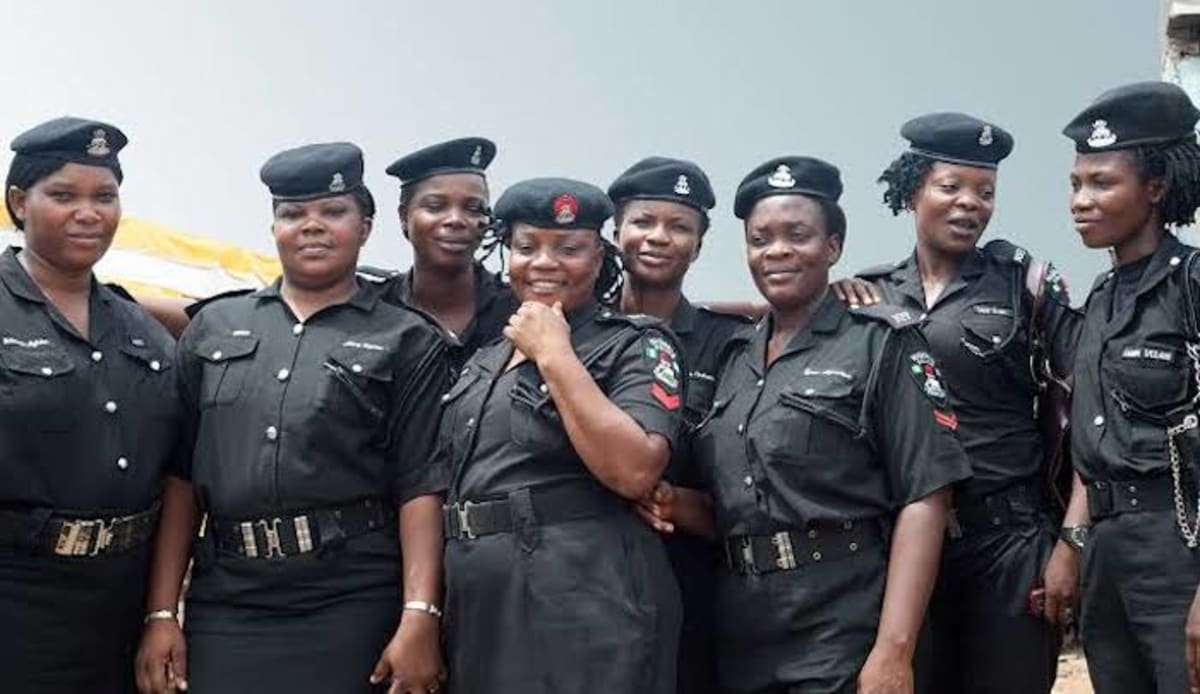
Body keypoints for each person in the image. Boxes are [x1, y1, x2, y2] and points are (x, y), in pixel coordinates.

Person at [643, 155, 971, 694]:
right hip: (743, 633)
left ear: (833, 247)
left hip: (845, 623)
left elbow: (927, 495)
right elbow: (734, 506)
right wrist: (672, 502)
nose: (776, 251)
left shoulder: (880, 342)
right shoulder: (733, 358)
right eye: (760, 239)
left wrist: (894, 650)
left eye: (797, 235)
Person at [135, 142, 449, 694]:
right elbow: (181, 477)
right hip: (227, 600)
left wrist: (420, 612)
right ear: (274, 227)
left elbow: (420, 484)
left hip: (351, 596)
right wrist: (161, 613)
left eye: (333, 212)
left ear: (365, 227)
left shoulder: (407, 338)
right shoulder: (214, 328)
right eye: (292, 213)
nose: (312, 226)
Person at [849, 113, 1086, 694]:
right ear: (913, 190)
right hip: (903, 551)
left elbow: (1089, 407)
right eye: (951, 186)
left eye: (985, 192)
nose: (970, 204)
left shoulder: (1025, 283)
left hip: (1009, 546)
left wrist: (1071, 543)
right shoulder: (870, 293)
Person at [438, 177, 684, 693]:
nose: (544, 263)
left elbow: (635, 470)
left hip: (585, 600)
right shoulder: (482, 360)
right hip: (481, 605)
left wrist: (555, 355)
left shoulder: (634, 343)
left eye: (568, 249)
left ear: (598, 257)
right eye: (527, 247)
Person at [0, 117, 181, 693]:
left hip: (122, 604)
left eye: (104, 197)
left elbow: (177, 468)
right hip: (17, 594)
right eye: (63, 196)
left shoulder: (142, 329)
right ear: (19, 203)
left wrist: (160, 613)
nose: (88, 213)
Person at [1061, 81, 1200, 694]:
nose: (1080, 201)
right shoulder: (1099, 299)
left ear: (1156, 188)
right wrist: (1073, 545)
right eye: (1075, 184)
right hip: (1107, 556)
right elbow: (1092, 447)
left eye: (1101, 183)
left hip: (1180, 547)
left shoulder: (1192, 284)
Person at [606, 155, 749, 694]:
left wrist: (681, 504)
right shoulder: (575, 331)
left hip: (686, 580)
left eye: (679, 227)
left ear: (699, 245)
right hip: (580, 579)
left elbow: (748, 473)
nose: (659, 237)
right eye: (643, 221)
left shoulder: (730, 343)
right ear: (615, 231)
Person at [361, 137, 518, 371]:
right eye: (435, 207)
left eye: (473, 208)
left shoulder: (518, 310)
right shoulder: (370, 309)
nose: (455, 220)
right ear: (404, 217)